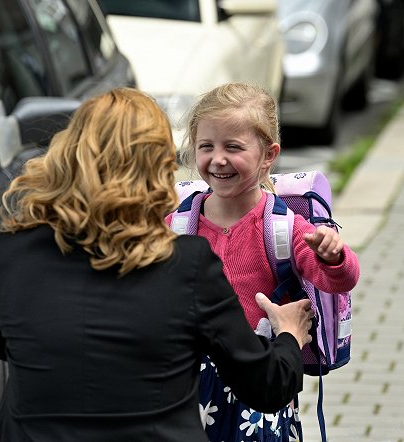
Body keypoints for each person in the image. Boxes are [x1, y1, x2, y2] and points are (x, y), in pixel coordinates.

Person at [0, 87, 315, 442]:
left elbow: (0, 342)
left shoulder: (10, 251)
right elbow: (266, 388)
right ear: (154, 170)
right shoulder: (188, 265)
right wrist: (289, 334)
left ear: (68, 155)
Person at [167, 82, 361, 441]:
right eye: (206, 146)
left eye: (234, 147)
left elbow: (338, 280)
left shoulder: (284, 228)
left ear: (269, 155)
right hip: (188, 386)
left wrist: (333, 256)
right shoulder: (179, 225)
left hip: (262, 385)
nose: (218, 158)